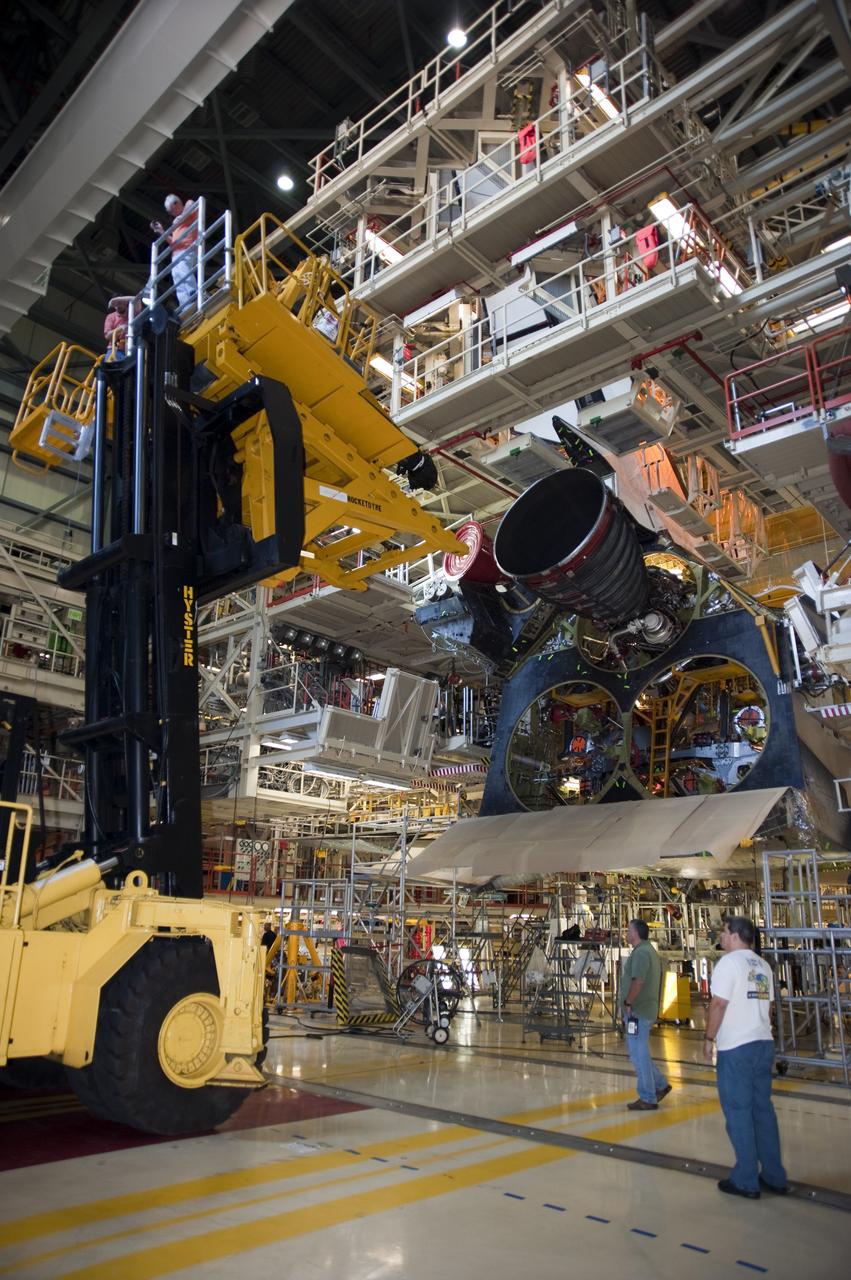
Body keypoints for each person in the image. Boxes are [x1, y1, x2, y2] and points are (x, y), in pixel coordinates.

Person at [704, 916, 788, 1199]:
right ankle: (775, 1175)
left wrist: (708, 1038)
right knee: (763, 1111)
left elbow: (718, 1004)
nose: (722, 937)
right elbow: (769, 1006)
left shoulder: (729, 963)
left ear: (736, 935)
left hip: (737, 1047)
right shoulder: (763, 965)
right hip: (763, 1042)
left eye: (724, 932)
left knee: (738, 1112)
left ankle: (746, 1178)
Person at [619, 918, 671, 1110]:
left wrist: (628, 1002)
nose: (626, 933)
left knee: (638, 1054)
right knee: (640, 1052)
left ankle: (648, 1097)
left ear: (635, 933)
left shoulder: (641, 953)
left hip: (638, 1011)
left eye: (628, 930)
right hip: (643, 1010)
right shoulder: (647, 951)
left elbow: (638, 981)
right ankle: (660, 1084)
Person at [151, 194, 199, 311]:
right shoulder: (176, 223)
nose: (173, 214)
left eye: (173, 210)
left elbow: (191, 203)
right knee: (177, 277)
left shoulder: (188, 208)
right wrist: (161, 231)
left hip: (187, 248)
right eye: (171, 212)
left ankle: (193, 293)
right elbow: (174, 242)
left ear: (177, 203)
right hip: (177, 252)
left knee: (183, 270)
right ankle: (185, 305)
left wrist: (182, 216)